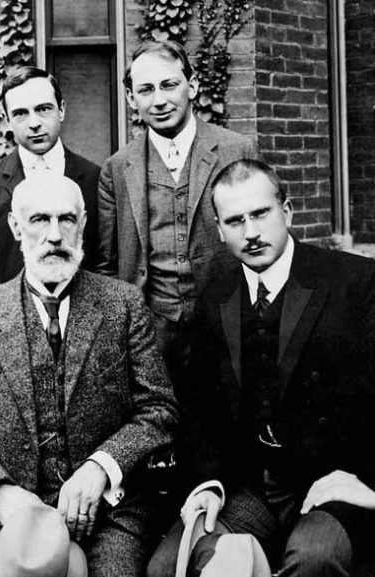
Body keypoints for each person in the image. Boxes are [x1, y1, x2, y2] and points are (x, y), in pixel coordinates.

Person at [0, 174, 178, 577]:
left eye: (67, 220)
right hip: (4, 520)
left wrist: (102, 466)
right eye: (39, 220)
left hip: (107, 516)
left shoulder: (123, 305)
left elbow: (159, 409)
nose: (54, 235)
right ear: (15, 227)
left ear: (83, 224)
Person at [148, 159, 375, 576]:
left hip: (337, 485)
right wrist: (207, 483)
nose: (250, 233)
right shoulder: (216, 297)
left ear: (286, 212)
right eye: (235, 221)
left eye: (260, 214)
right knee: (167, 567)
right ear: (218, 230)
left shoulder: (355, 283)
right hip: (251, 486)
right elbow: (198, 410)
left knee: (314, 559)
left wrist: (371, 486)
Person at [96, 41, 257, 382]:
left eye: (169, 84)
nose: (159, 100)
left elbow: (260, 238)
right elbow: (108, 265)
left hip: (226, 324)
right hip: (151, 330)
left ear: (192, 86)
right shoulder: (117, 168)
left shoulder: (236, 150)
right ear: (131, 99)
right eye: (146, 89)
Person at [0, 66, 100, 298]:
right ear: (7, 120)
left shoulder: (94, 178)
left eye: (43, 109)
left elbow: (102, 259)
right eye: (20, 113)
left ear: (62, 110)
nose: (34, 123)